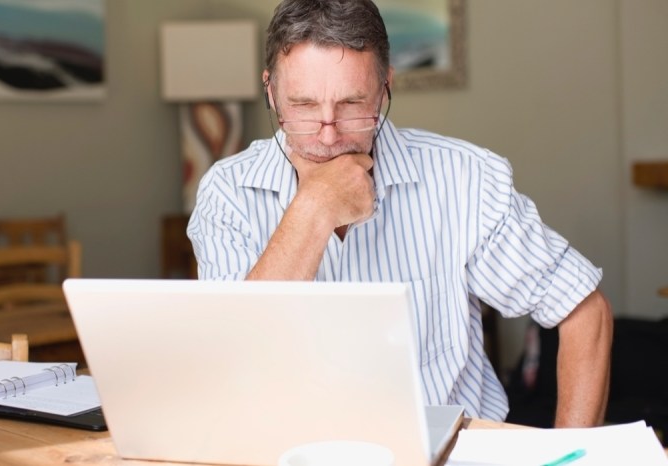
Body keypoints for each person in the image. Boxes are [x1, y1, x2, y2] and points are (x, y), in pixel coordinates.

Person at [187, 0, 612, 427]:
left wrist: (571, 457)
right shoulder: (227, 193)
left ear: (386, 86)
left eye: (352, 103)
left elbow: (583, 310)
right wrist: (313, 209)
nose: (328, 134)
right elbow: (234, 364)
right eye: (303, 106)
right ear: (271, 91)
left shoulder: (465, 178)